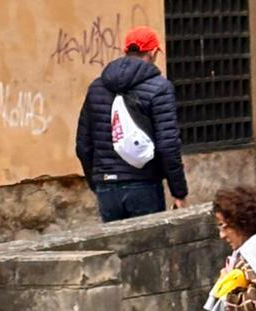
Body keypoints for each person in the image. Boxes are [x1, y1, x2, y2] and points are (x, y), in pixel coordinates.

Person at [75, 26, 188, 222]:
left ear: (125, 50)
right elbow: (167, 145)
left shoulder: (96, 87)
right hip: (144, 184)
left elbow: (83, 145)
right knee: (149, 249)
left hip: (106, 185)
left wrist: (98, 182)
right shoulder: (160, 88)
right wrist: (179, 191)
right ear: (153, 52)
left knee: (116, 250)